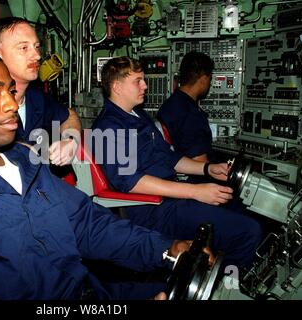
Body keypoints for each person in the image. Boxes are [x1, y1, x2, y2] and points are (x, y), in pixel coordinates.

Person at [0, 47, 196, 300]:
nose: (11, 105)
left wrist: (166, 250)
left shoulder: (24, 161)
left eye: (11, 92)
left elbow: (88, 225)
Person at [91, 56, 262, 270]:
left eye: (144, 79)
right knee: (248, 231)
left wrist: (207, 168)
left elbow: (170, 158)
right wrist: (195, 191)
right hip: (152, 209)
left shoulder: (138, 116)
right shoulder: (108, 128)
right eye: (138, 81)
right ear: (117, 86)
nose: (145, 85)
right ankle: (217, 289)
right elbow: (130, 182)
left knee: (239, 210)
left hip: (171, 199)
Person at [0, 17, 81, 167]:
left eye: (37, 47)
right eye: (24, 48)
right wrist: (19, 149)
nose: (37, 56)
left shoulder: (35, 98)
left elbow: (69, 116)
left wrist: (70, 141)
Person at [157, 51, 214, 163]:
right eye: (210, 78)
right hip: (191, 177)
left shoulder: (171, 103)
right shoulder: (191, 115)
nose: (209, 83)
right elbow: (200, 163)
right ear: (203, 79)